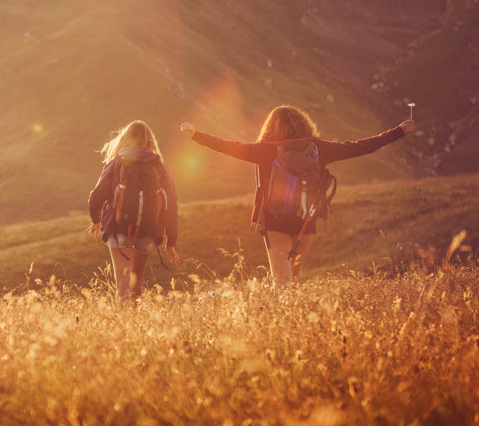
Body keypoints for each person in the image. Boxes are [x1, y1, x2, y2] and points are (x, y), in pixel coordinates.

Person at [179, 106, 415, 290]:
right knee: (292, 279)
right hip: (306, 219)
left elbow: (229, 146)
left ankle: (279, 330)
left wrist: (196, 135)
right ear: (304, 124)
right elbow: (360, 147)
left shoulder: (265, 150)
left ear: (270, 127)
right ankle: (292, 332)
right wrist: (398, 132)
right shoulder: (319, 149)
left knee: (280, 282)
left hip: (275, 221)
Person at [87, 120, 180, 303]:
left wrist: (96, 220)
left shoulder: (117, 162)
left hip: (118, 230)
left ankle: (125, 328)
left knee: (123, 284)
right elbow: (170, 205)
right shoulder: (159, 166)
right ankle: (135, 324)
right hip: (147, 231)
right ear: (149, 140)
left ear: (125, 138)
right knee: (135, 282)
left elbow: (97, 195)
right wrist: (171, 241)